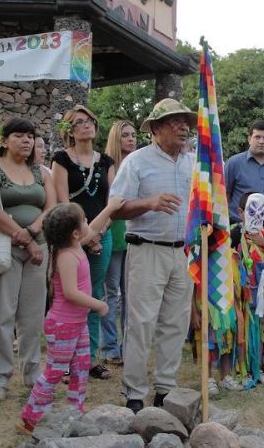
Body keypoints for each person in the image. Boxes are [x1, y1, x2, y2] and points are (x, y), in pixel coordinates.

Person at [109, 98, 197, 413]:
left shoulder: (194, 163)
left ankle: (165, 390)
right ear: (156, 129)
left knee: (175, 323)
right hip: (146, 249)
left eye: (185, 122)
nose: (183, 127)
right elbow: (116, 208)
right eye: (174, 122)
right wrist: (149, 202)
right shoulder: (136, 161)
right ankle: (134, 393)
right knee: (141, 322)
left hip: (182, 253)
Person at [17, 200, 122, 433]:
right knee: (55, 370)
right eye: (83, 220)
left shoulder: (75, 245)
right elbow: (71, 293)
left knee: (81, 365)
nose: (87, 223)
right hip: (63, 325)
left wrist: (110, 208)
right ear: (75, 233)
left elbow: (94, 228)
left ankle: (75, 408)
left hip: (78, 324)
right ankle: (30, 417)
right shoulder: (66, 256)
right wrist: (99, 305)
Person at [0, 117, 56, 401]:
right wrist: (22, 237)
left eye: (30, 136)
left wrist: (33, 234)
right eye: (20, 135)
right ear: (4, 140)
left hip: (39, 248)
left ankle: (32, 371)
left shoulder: (40, 171)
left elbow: (52, 206)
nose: (27, 141)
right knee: (1, 314)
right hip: (3, 247)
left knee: (32, 315)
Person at [52, 105, 116, 381]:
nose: (86, 125)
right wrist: (85, 238)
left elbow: (113, 202)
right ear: (69, 130)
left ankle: (88, 360)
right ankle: (65, 360)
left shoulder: (106, 162)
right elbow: (63, 203)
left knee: (94, 296)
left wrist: (98, 235)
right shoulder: (61, 160)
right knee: (71, 298)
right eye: (78, 122)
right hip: (71, 238)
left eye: (89, 120)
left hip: (102, 236)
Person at [234, 192, 264, 386]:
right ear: (240, 211)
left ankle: (259, 368)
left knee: (262, 328)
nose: (256, 215)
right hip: (243, 291)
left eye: (261, 211)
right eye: (251, 210)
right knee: (243, 327)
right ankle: (242, 369)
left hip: (263, 290)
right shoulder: (234, 233)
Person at [100, 120, 137, 366]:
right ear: (116, 138)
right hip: (113, 233)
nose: (131, 139)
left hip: (134, 234)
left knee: (131, 295)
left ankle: (128, 346)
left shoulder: (140, 163)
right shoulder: (107, 166)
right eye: (125, 135)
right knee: (111, 292)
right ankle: (110, 347)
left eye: (134, 135)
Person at [225, 121, 264, 239]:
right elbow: (225, 196)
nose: (261, 141)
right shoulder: (234, 163)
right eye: (257, 137)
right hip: (241, 232)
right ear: (249, 139)